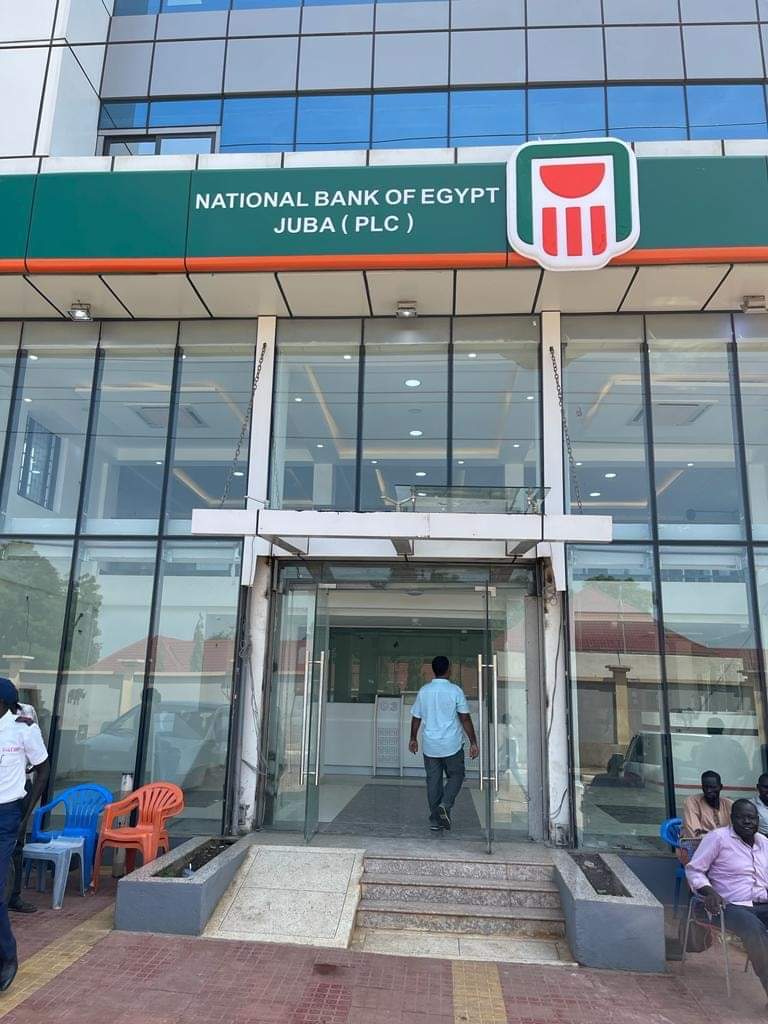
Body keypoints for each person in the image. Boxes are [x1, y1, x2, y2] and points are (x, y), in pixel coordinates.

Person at [685, 800, 768, 1000]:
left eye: (752, 818)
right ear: (732, 819)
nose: (747, 822)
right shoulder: (718, 838)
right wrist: (709, 891)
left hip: (762, 903)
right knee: (753, 929)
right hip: (730, 906)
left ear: (758, 820)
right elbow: (694, 870)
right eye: (742, 817)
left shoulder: (764, 843)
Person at [0, 678, 49, 992]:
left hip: (7, 815)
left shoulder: (23, 729)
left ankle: (7, 956)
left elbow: (43, 770)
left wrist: (25, 816)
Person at [409, 656, 479, 832]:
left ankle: (436, 821)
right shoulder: (455, 691)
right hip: (451, 745)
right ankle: (445, 804)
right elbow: (464, 718)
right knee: (457, 775)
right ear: (449, 669)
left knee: (433, 782)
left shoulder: (424, 691)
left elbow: (416, 717)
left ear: (434, 670)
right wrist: (473, 742)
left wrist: (413, 738)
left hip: (430, 746)